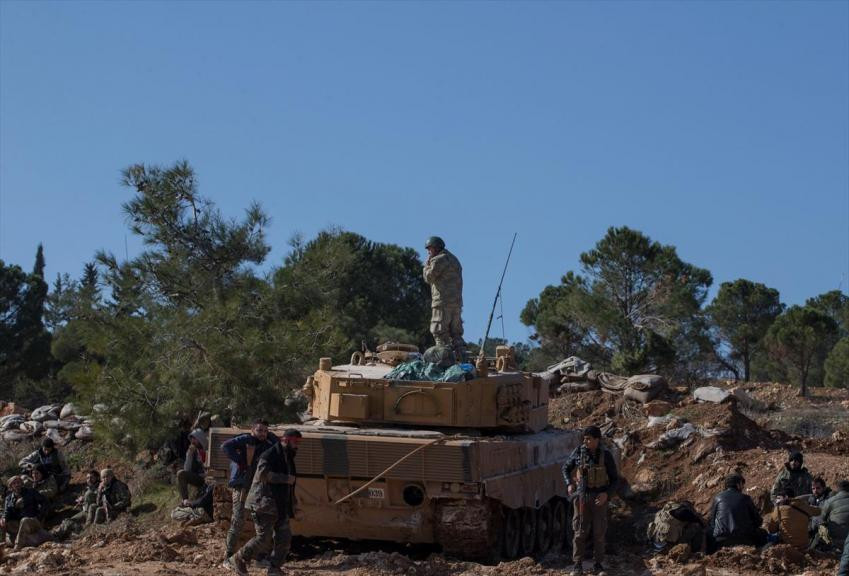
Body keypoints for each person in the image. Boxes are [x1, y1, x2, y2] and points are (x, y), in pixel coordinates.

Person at [229, 428, 302, 576]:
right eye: (295, 442)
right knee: (264, 538)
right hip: (263, 503)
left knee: (284, 537)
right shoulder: (270, 454)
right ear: (286, 440)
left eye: (298, 442)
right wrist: (284, 478)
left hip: (280, 505)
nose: (297, 445)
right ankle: (239, 558)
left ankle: (274, 567)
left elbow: (290, 485)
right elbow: (263, 474)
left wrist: (292, 504)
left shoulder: (287, 456)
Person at [561, 425, 619, 575]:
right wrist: (569, 484)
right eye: (584, 439)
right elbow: (566, 468)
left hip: (599, 497)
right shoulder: (579, 452)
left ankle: (598, 564)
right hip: (582, 496)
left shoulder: (605, 455)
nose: (585, 442)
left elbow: (615, 479)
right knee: (579, 531)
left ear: (597, 440)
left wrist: (607, 494)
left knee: (599, 532)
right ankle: (577, 564)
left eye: (588, 439)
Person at [221, 419, 278, 560]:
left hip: (257, 488)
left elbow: (278, 447)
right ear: (252, 430)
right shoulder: (246, 440)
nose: (262, 433)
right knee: (238, 521)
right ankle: (228, 555)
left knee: (261, 523)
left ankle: (258, 555)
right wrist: (240, 460)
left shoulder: (266, 444)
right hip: (243, 486)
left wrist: (271, 436)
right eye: (259, 430)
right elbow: (225, 446)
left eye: (265, 431)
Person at [422, 236, 465, 361]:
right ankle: (463, 358)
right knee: (456, 333)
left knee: (440, 332)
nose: (428, 253)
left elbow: (429, 277)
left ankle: (444, 362)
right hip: (456, 304)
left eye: (429, 249)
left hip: (442, 302)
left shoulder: (438, 260)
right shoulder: (454, 259)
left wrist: (426, 266)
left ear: (435, 248)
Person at [707, 474, 766, 551]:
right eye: (742, 484)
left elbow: (712, 523)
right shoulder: (746, 498)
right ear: (738, 484)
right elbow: (758, 521)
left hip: (722, 540)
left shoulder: (717, 498)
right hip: (745, 539)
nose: (743, 487)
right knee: (763, 533)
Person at [765, 483, 820, 550]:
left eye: (779, 497)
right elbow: (819, 511)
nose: (778, 500)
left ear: (785, 497)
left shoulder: (779, 509)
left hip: (788, 546)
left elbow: (771, 530)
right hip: (804, 545)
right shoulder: (805, 506)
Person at [1, 476, 48, 548]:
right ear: (10, 486)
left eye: (18, 482)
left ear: (22, 483)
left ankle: (17, 547)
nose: (17, 485)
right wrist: (4, 519)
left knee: (25, 520)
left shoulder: (31, 492)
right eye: (14, 483)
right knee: (2, 522)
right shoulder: (9, 498)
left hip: (32, 521)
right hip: (18, 523)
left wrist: (40, 516)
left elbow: (44, 503)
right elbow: (7, 512)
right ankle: (2, 546)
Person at [819, 479, 849, 552]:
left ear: (838, 489)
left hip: (836, 542)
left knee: (820, 525)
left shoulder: (830, 501)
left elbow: (821, 519)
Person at [177, 429, 207, 501]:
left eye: (194, 439)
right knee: (180, 473)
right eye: (191, 439)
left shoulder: (209, 448)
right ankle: (185, 500)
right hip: (199, 478)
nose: (192, 441)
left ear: (200, 438)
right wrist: (189, 455)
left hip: (210, 478)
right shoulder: (194, 452)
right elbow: (186, 470)